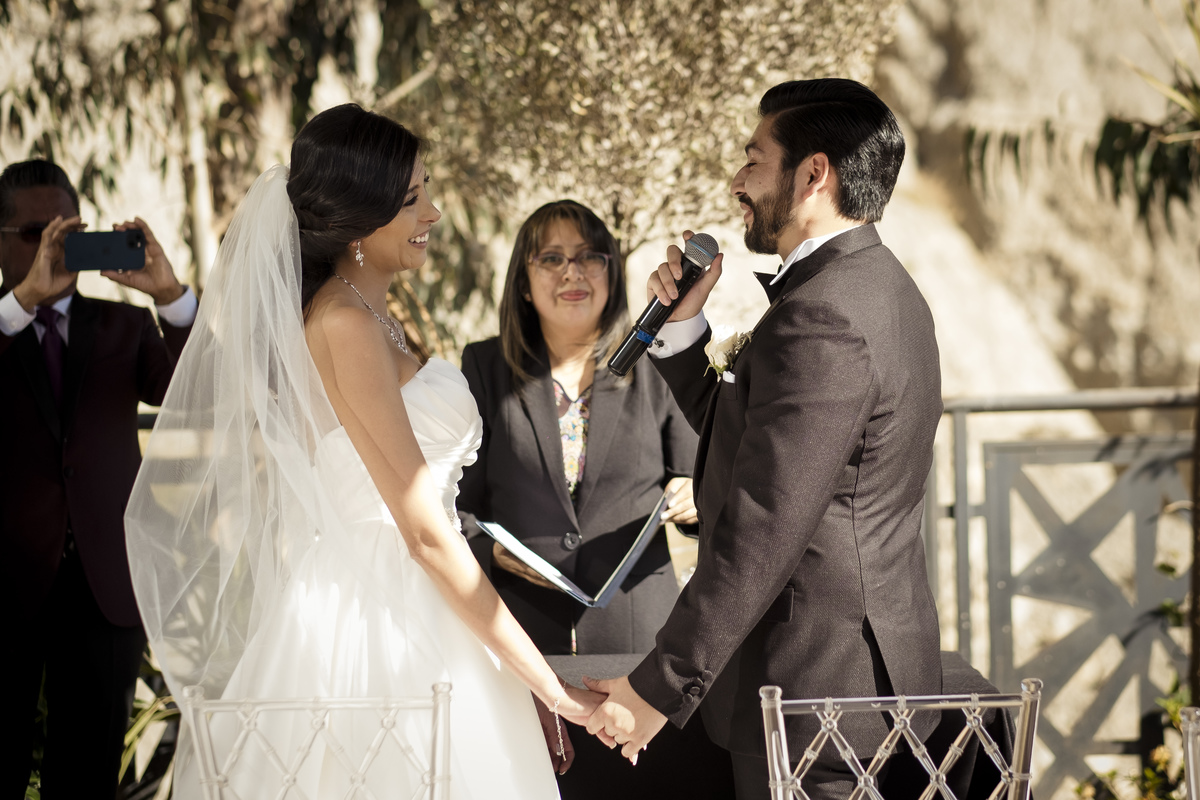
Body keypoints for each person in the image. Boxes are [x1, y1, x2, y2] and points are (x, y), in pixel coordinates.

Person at [124, 104, 602, 799]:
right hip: (383, 623)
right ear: (356, 218)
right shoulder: (345, 323)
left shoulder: (371, 314)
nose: (433, 213)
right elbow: (424, 534)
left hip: (424, 603)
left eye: (427, 190)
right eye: (410, 200)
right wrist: (549, 686)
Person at [584, 78, 944, 799]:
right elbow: (759, 446)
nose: (737, 182)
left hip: (816, 699)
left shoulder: (824, 315)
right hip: (850, 685)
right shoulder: (877, 287)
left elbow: (765, 523)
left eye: (754, 160)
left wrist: (659, 686)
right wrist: (683, 328)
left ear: (814, 174)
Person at [457, 200, 734, 797]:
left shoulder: (654, 363)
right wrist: (488, 551)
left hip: (638, 650)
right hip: (526, 647)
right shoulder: (483, 367)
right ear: (523, 280)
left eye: (589, 257)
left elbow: (703, 480)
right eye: (551, 258)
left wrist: (693, 498)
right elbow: (458, 507)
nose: (572, 273)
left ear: (612, 271)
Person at [0, 159, 196, 796]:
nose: (52, 248)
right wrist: (21, 303)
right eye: (35, 233)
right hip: (6, 583)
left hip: (105, 585)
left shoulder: (124, 325)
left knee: (85, 779)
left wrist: (170, 297)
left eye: (66, 231)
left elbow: (197, 389)